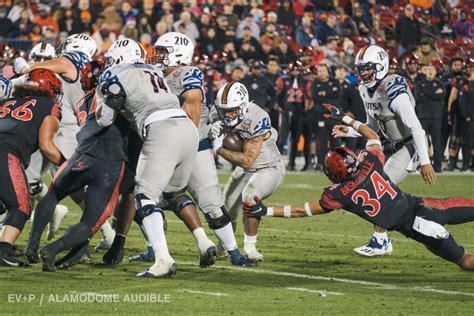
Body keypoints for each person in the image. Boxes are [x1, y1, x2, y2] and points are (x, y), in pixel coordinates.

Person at [243, 104, 474, 271]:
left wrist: (266, 211)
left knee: (465, 261)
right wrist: (346, 119)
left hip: (418, 227)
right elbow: (372, 135)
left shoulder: (341, 194)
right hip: (426, 209)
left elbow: (303, 210)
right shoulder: (371, 163)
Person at [132, 31, 253, 267]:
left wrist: (185, 135)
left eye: (162, 51)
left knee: (210, 202)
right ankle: (153, 247)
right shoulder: (153, 74)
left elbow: (193, 102)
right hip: (158, 144)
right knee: (142, 196)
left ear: (178, 53)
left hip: (193, 144)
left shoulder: (186, 72)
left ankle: (234, 252)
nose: (157, 55)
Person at [95, 38, 199, 278]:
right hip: (187, 129)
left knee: (144, 196)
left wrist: (102, 100)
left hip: (161, 129)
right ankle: (204, 242)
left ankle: (162, 257)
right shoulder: (154, 70)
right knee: (173, 193)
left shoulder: (115, 72)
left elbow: (104, 120)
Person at [26, 60, 128, 271]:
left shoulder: (83, 98)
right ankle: (53, 249)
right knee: (92, 220)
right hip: (109, 159)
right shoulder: (118, 93)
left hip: (81, 152)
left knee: (53, 194)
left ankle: (32, 245)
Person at [348, 45, 436, 257]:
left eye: (367, 69)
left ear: (380, 66)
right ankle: (403, 228)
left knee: (380, 189)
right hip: (391, 145)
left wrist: (424, 161)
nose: (363, 73)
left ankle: (383, 240)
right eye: (361, 69)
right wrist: (350, 130)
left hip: (409, 145)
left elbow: (416, 127)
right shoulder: (364, 89)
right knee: (382, 190)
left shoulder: (393, 86)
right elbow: (373, 126)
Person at [209, 82, 285, 262]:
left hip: (268, 167)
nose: (227, 115)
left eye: (232, 111)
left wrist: (219, 148)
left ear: (243, 106)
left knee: (250, 195)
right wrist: (209, 131)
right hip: (243, 169)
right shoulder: (217, 113)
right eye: (224, 110)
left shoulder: (257, 117)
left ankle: (250, 247)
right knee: (226, 208)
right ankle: (225, 246)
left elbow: (248, 160)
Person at [0, 69, 64, 267]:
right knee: (20, 206)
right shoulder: (50, 105)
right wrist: (69, 165)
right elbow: (47, 147)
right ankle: (3, 251)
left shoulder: (4, 102)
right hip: (6, 153)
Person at [308, 63, 342, 171]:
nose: (321, 73)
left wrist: (324, 93)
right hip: (320, 116)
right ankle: (322, 165)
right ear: (317, 73)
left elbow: (338, 93)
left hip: (334, 117)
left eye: (323, 70)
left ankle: (337, 165)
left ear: (327, 71)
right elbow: (315, 96)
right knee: (322, 142)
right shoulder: (315, 83)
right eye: (319, 71)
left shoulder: (334, 81)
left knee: (335, 142)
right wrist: (329, 93)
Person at [277, 62, 308, 170]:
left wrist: (304, 110)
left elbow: (308, 97)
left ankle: (292, 162)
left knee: (296, 139)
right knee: (282, 138)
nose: (295, 72)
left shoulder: (305, 82)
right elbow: (279, 96)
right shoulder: (283, 80)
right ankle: (277, 163)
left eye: (297, 70)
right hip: (286, 113)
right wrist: (282, 107)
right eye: (294, 70)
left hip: (299, 114)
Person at [415, 63, 445, 173]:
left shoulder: (439, 83)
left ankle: (438, 167)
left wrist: (425, 94)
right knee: (421, 142)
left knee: (437, 142)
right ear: (425, 71)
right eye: (428, 69)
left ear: (436, 72)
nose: (430, 71)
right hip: (423, 117)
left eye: (432, 69)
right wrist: (433, 94)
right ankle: (420, 165)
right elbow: (418, 98)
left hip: (436, 117)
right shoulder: (419, 84)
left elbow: (441, 96)